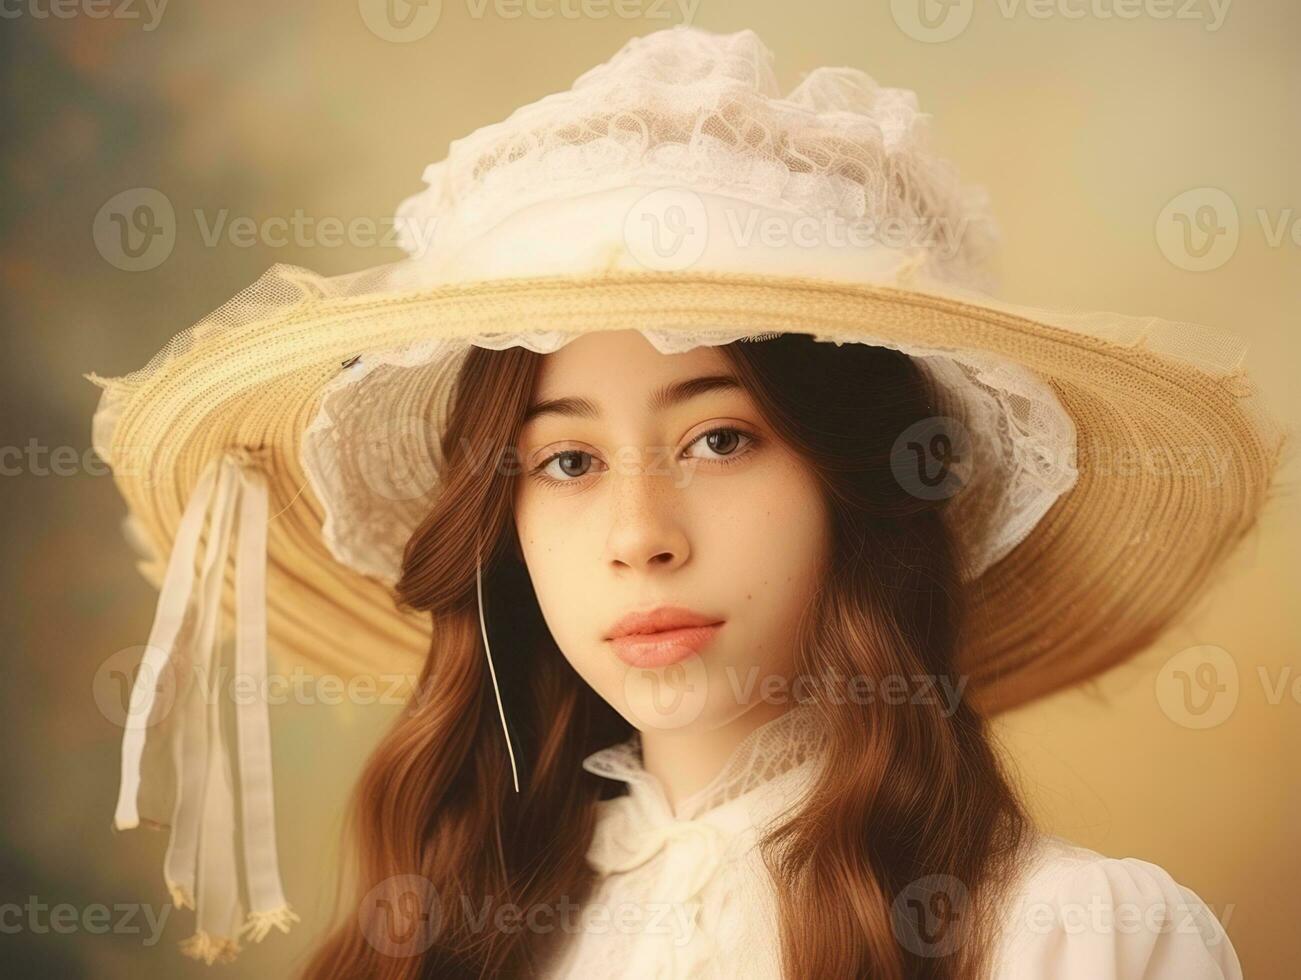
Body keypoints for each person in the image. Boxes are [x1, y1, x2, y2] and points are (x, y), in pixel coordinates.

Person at [90, 25, 1282, 978]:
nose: (640, 537)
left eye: (718, 437)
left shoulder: (1076, 939)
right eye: (565, 461)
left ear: (859, 484)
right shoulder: (437, 940)